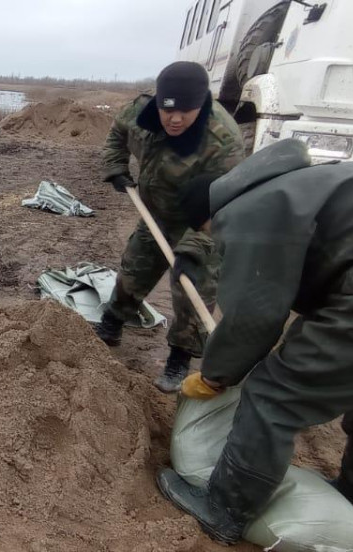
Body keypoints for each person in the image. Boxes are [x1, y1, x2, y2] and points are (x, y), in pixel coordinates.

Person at [157, 139, 353, 545]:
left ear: (209, 218)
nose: (216, 244)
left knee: (274, 394)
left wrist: (216, 375)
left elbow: (255, 316)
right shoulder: (305, 183)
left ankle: (225, 508)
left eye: (208, 235)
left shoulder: (253, 208)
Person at [94, 61, 245, 393]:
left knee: (193, 289)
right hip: (155, 213)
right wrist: (116, 168)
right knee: (134, 268)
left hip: (204, 221)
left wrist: (191, 251)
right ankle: (112, 322)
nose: (175, 119)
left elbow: (225, 204)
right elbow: (117, 135)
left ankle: (180, 356)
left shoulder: (223, 141)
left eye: (186, 111)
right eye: (167, 110)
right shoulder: (140, 113)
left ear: (201, 104)